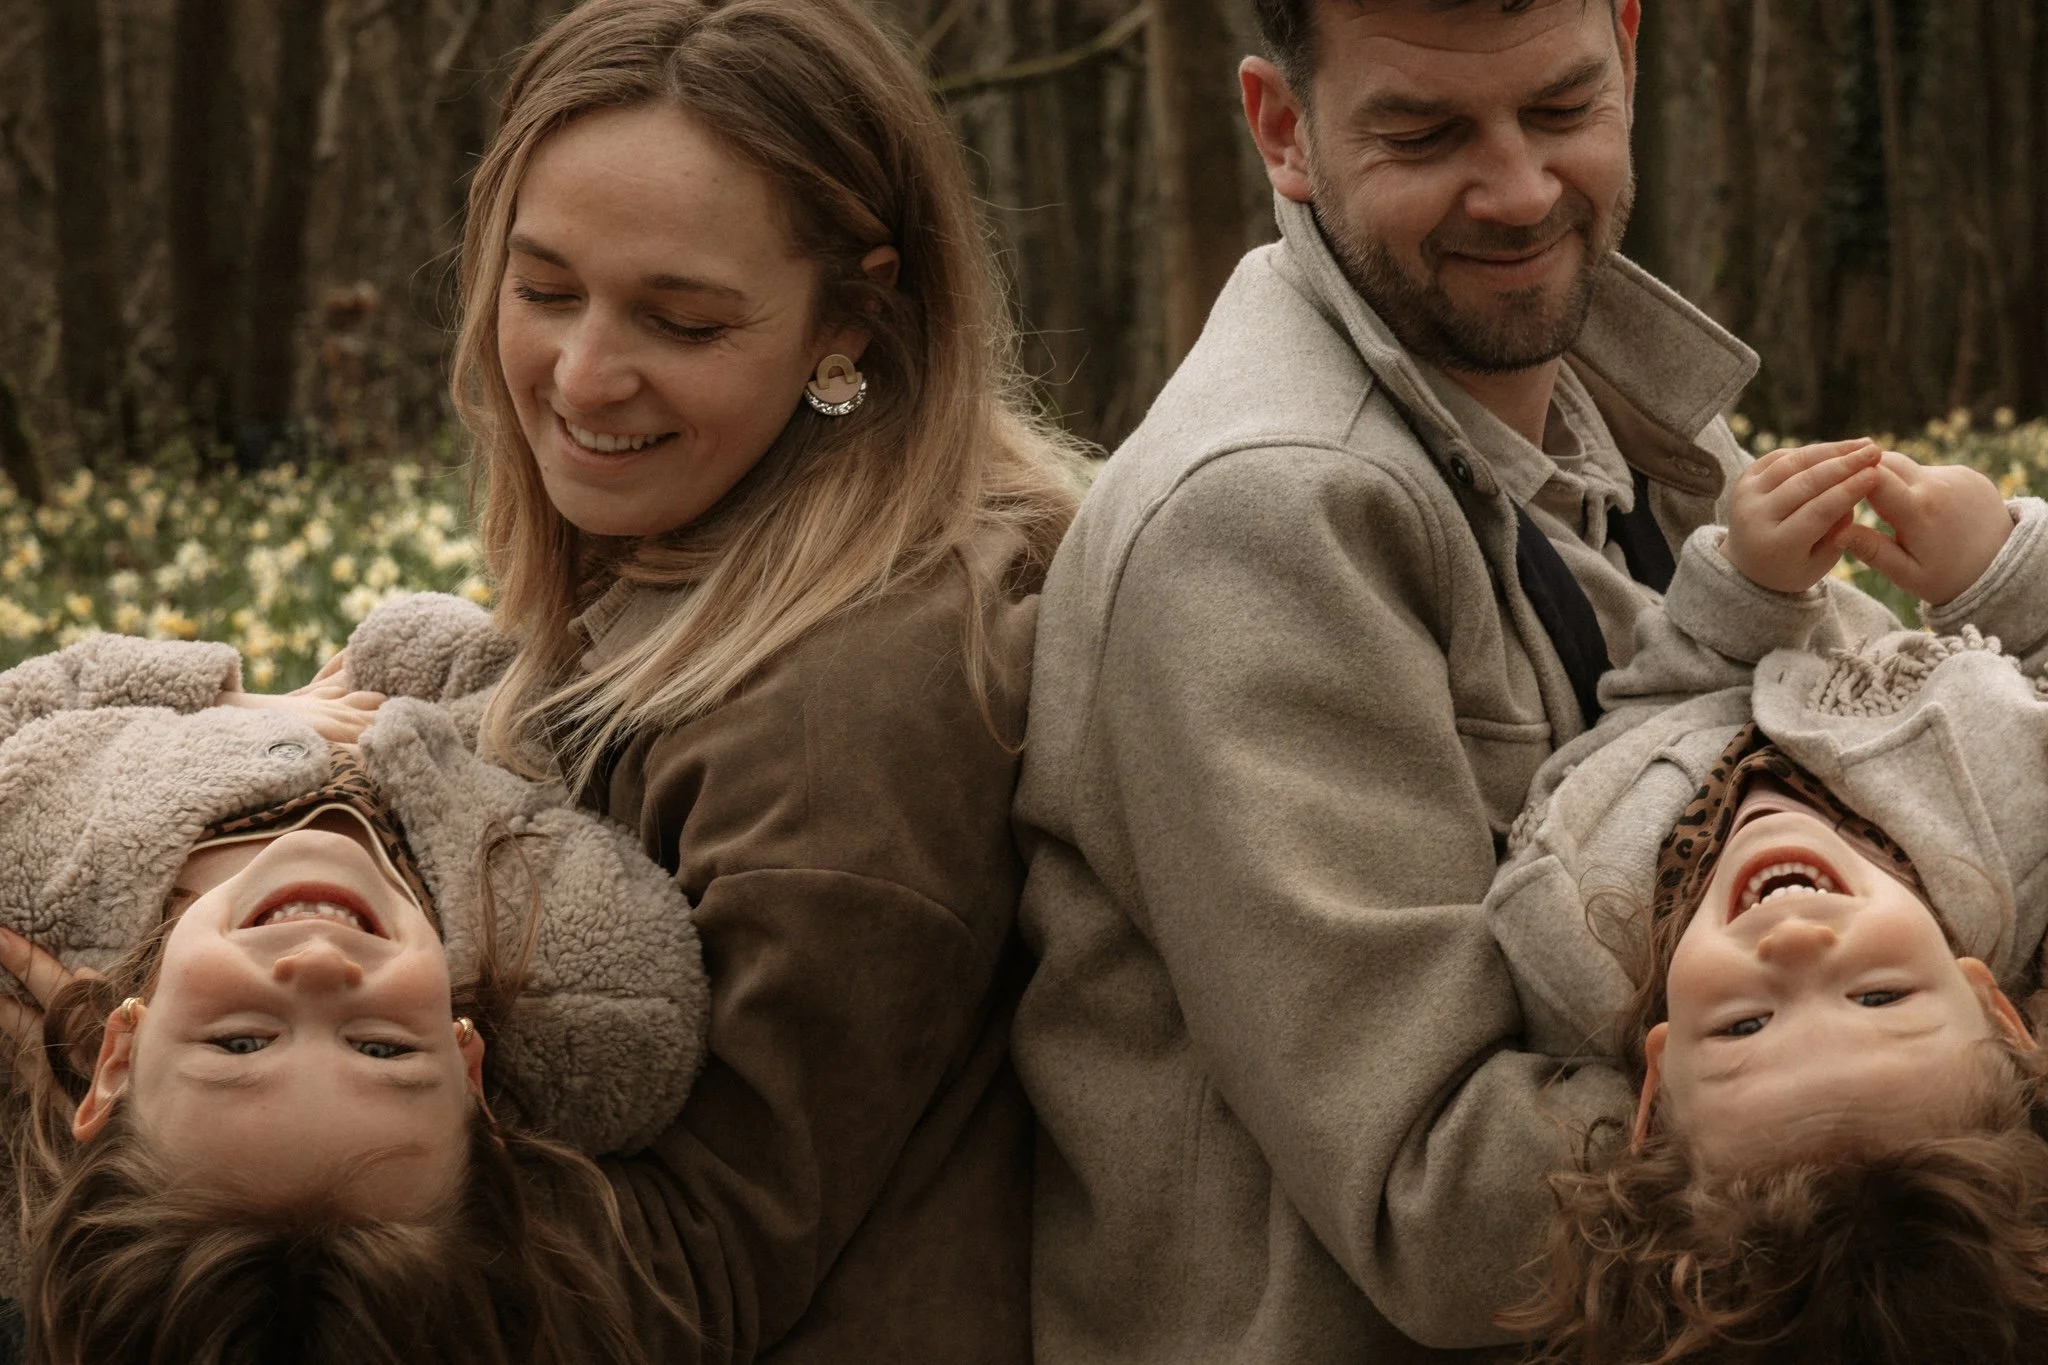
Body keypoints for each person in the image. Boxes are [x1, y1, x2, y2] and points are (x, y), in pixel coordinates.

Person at [1009, 0, 2048, 1359]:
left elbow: (1911, 782)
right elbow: (1437, 1194)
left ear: (1628, 48)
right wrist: (1967, 1096)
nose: (1516, 191)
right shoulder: (1254, 524)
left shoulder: (1608, 403)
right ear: (1283, 130)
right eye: (1423, 134)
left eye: (1561, 110)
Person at [410, 0, 1081, 1358]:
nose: (584, 376)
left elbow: (691, 1274)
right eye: (545, 292)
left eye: (681, 321)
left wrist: (196, 1114)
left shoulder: (856, 705)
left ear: (854, 315)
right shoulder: (696, 562)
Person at [0, 594, 709, 1363]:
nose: (316, 966)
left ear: (116, 1056)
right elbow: (546, 702)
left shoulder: (36, 883)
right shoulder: (601, 990)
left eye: (240, 1042)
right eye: (380, 1049)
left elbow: (36, 700)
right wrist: (410, 675)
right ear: (471, 1077)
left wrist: (228, 703)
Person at [1479, 445, 2048, 1359]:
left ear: (1655, 1086)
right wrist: (1998, 576)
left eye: (1744, 1025)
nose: (1795, 948)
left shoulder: (1569, 911)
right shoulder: (2016, 838)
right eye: (1879, 996)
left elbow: (1643, 718)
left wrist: (1744, 594)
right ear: (1996, 1010)